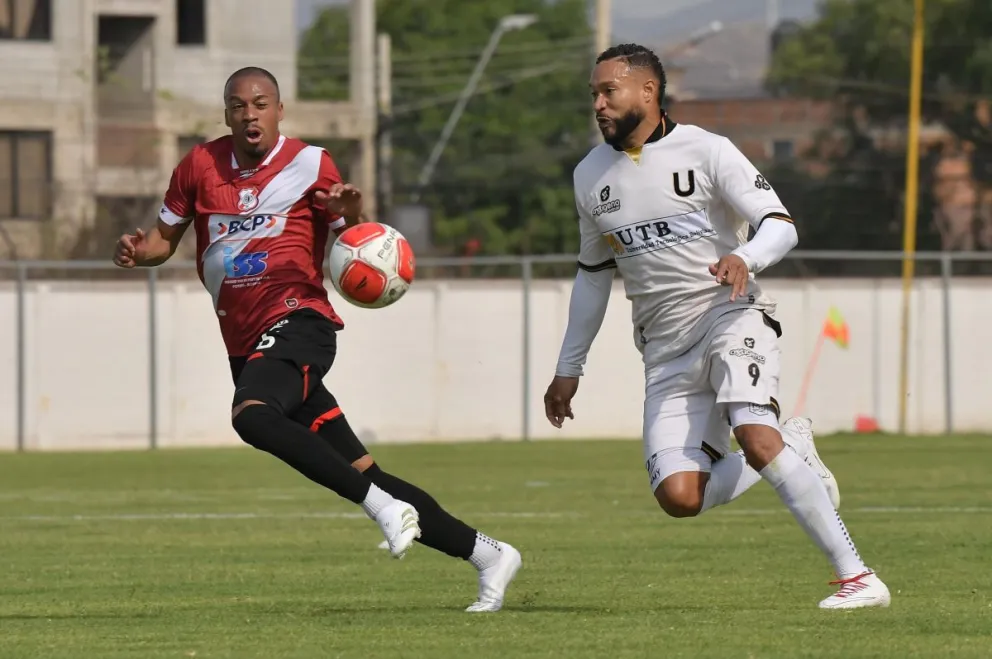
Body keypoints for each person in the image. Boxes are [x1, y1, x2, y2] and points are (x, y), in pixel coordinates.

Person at [111, 66, 521, 613]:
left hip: (299, 324)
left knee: (252, 416)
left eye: (261, 104)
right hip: (247, 345)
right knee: (363, 471)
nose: (250, 114)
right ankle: (489, 555)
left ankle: (382, 508)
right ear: (226, 113)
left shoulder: (310, 163)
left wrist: (350, 214)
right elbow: (163, 240)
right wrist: (137, 252)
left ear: (279, 110)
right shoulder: (198, 166)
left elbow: (356, 237)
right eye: (239, 105)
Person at [543, 44, 890, 610]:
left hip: (731, 315)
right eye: (594, 94)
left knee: (754, 434)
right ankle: (794, 444)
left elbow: (780, 225)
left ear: (648, 91)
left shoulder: (708, 150)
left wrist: (745, 258)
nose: (599, 104)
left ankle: (858, 577)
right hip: (664, 350)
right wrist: (568, 368)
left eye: (609, 91)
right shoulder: (589, 175)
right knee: (679, 496)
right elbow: (592, 275)